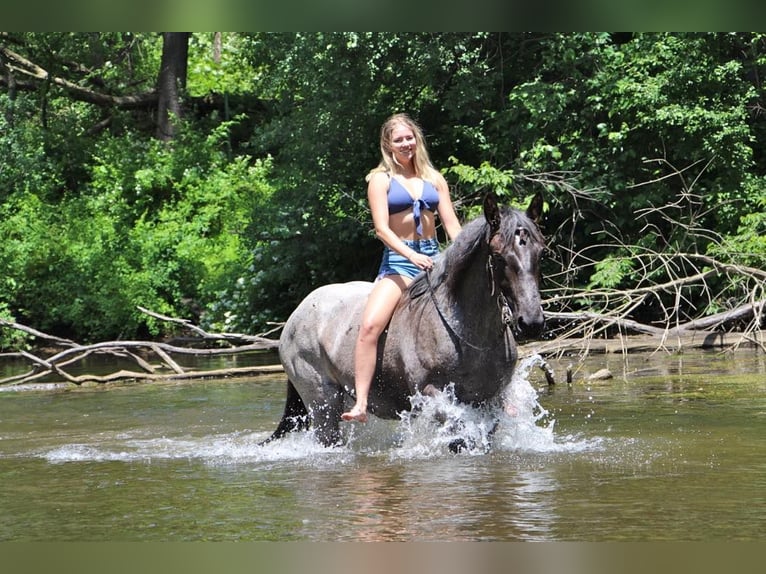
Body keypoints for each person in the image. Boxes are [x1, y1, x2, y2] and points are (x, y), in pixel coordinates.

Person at [341, 113, 462, 422]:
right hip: (400, 264)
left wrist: (465, 257)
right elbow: (382, 229)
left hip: (434, 259)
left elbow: (453, 228)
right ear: (388, 145)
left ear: (416, 139)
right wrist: (410, 256)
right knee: (369, 327)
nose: (406, 143)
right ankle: (361, 403)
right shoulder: (380, 180)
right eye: (399, 140)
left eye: (409, 137)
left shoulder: (434, 179)